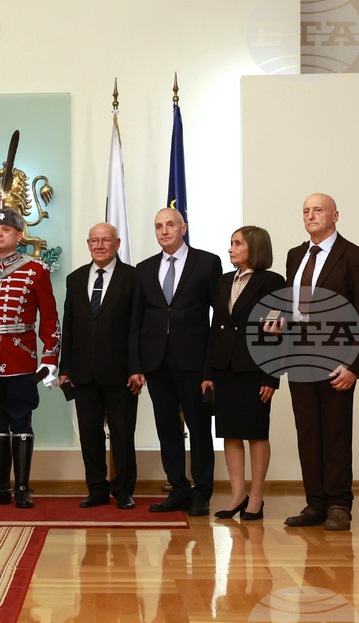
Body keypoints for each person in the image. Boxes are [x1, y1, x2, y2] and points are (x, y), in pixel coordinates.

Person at [280, 194, 359, 531]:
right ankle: (315, 504)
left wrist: (355, 366)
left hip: (338, 360)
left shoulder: (355, 257)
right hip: (299, 358)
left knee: (336, 433)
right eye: (306, 210)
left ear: (335, 215)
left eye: (318, 210)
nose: (310, 215)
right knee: (307, 433)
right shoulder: (295, 255)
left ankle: (339, 504)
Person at [0, 208, 61, 509]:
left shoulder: (36, 270)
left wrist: (50, 357)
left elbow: (50, 319)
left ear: (19, 236)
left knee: (20, 419)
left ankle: (21, 487)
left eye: (6, 230)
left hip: (21, 357)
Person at [130, 208, 222, 516]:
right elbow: (136, 321)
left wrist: (211, 368)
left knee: (198, 426)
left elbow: (218, 318)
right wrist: (136, 365)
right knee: (166, 427)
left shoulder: (207, 263)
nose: (164, 230)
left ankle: (202, 491)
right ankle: (178, 488)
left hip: (194, 360)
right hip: (155, 361)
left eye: (170, 224)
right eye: (159, 226)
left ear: (184, 228)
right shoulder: (143, 269)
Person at [201, 226, 284, 521]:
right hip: (225, 369)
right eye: (231, 243)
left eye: (237, 244)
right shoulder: (224, 281)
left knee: (256, 433)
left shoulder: (273, 282)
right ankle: (238, 495)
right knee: (230, 433)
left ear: (254, 248)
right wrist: (209, 371)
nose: (230, 249)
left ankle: (257, 497)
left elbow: (276, 334)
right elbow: (216, 327)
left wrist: (271, 376)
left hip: (255, 370)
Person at [58, 223, 142, 509]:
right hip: (83, 371)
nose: (100, 245)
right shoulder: (75, 278)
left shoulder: (133, 277)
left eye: (105, 240)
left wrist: (136, 367)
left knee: (122, 433)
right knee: (90, 433)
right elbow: (69, 325)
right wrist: (64, 367)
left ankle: (123, 490)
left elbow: (137, 327)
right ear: (88, 244)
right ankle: (96, 489)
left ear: (117, 243)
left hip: (121, 372)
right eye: (94, 240)